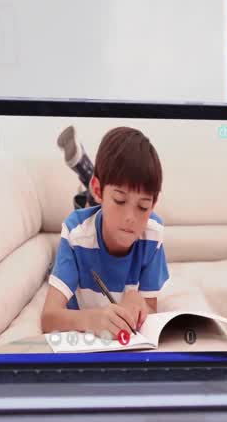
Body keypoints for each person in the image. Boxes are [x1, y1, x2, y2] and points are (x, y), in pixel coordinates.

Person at [40, 126, 170, 338]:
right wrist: (93, 318)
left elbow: (150, 309)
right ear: (99, 190)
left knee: (95, 215)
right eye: (120, 200)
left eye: (143, 206)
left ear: (154, 203)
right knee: (84, 222)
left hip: (96, 217)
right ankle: (86, 177)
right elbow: (49, 318)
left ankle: (85, 170)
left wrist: (138, 303)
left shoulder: (152, 233)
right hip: (83, 236)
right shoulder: (75, 234)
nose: (131, 217)